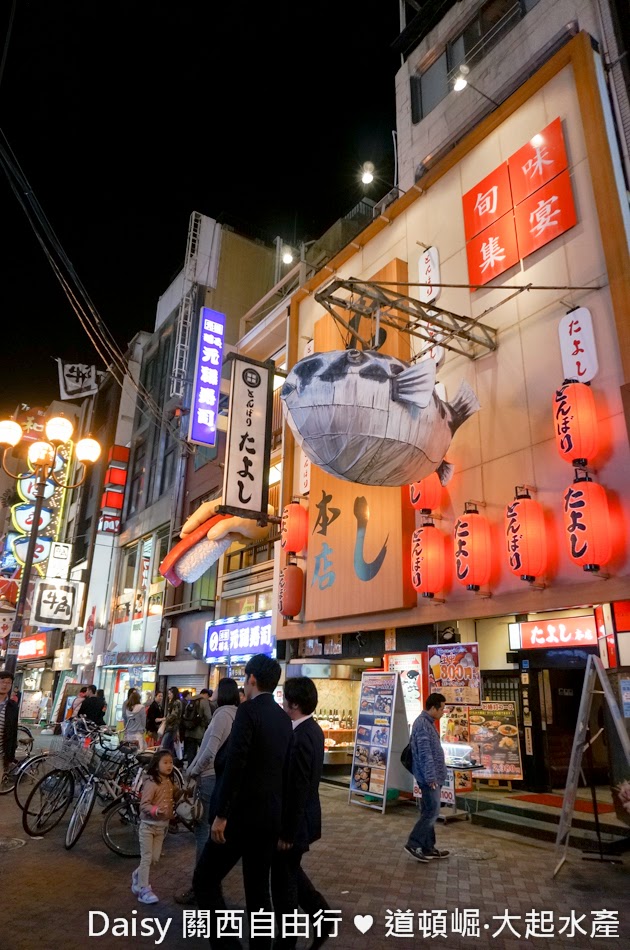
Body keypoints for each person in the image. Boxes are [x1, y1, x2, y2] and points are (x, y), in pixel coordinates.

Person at [193, 654, 293, 950]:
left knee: (205, 880)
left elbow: (236, 764)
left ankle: (228, 946)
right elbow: (284, 774)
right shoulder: (283, 720)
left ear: (251, 679)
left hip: (239, 817)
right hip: (269, 817)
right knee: (258, 891)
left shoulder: (248, 711)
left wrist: (222, 814)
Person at [271, 676, 331, 950]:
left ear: (293, 703)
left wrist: (287, 832)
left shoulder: (301, 736)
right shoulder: (312, 730)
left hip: (294, 823)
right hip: (301, 820)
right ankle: (321, 915)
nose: (282, 703)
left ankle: (286, 942)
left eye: (284, 699)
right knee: (290, 871)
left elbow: (298, 787)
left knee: (284, 885)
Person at [175, 678, 240, 906]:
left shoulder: (223, 715)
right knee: (213, 833)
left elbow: (210, 751)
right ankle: (208, 883)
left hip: (210, 778)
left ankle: (201, 885)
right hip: (223, 780)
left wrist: (192, 771)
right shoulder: (238, 714)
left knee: (203, 832)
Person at [132, 749, 185, 904]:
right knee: (147, 858)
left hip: (161, 827)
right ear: (156, 765)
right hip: (148, 826)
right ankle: (143, 890)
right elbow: (144, 805)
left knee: (154, 859)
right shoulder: (151, 783)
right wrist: (155, 810)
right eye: (165, 762)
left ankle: (137, 875)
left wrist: (185, 793)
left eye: (171, 762)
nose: (169, 765)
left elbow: (176, 794)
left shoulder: (169, 782)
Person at [404, 692, 449, 863]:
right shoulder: (423, 724)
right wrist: (431, 778)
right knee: (431, 812)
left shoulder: (427, 723)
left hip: (431, 777)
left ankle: (428, 848)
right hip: (429, 778)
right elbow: (425, 754)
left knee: (429, 811)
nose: (443, 712)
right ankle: (413, 843)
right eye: (442, 708)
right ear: (434, 707)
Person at [182, 689, 212, 766]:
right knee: (204, 751)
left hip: (189, 731)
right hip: (199, 732)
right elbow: (208, 717)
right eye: (208, 696)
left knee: (191, 753)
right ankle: (201, 769)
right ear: (205, 694)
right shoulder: (203, 701)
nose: (208, 698)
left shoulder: (191, 700)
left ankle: (190, 769)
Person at [0, 670, 19, 787]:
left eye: (8, 683)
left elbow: (13, 732)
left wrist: (10, 756)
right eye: (2, 681)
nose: (5, 685)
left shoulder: (12, 706)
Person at [161, 686, 183, 762]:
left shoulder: (176, 702)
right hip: (171, 727)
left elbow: (174, 715)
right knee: (170, 748)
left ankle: (165, 762)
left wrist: (164, 719)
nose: (168, 695)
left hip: (171, 727)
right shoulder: (173, 702)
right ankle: (172, 763)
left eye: (170, 693)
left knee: (164, 746)